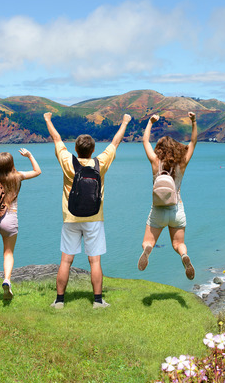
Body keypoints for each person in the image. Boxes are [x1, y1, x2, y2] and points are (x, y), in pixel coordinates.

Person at [44, 111, 131, 309]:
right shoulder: (100, 163)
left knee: (66, 260)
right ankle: (98, 301)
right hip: (94, 217)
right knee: (94, 261)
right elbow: (115, 142)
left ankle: (59, 301)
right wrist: (125, 121)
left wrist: (48, 120)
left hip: (70, 217)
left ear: (75, 148)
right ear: (93, 150)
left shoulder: (68, 161)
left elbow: (56, 138)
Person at [137, 111, 197, 280]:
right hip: (177, 209)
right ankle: (184, 256)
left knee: (147, 241)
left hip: (157, 210)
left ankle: (148, 250)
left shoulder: (156, 161)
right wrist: (193, 121)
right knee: (178, 244)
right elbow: (193, 142)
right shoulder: (182, 162)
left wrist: (150, 122)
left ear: (160, 149)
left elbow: (145, 141)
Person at [0, 148, 41, 302]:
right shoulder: (17, 177)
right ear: (11, 165)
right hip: (10, 220)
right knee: (8, 253)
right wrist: (29, 155)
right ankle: (6, 280)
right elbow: (37, 171)